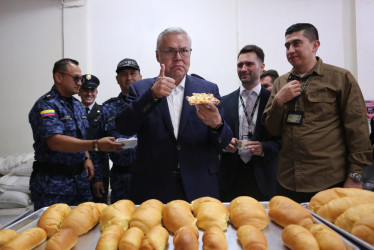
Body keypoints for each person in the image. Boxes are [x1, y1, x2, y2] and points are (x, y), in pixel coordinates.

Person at [115, 27, 232, 204]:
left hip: (199, 186)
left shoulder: (208, 89)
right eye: (170, 51)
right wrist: (151, 96)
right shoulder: (140, 89)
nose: (178, 57)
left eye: (184, 51)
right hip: (153, 187)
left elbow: (223, 142)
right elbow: (124, 127)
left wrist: (218, 125)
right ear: (157, 56)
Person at [262, 23, 373, 203]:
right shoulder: (281, 82)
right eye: (287, 45)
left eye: (296, 43)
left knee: (330, 230)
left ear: (315, 45)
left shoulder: (340, 78)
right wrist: (278, 101)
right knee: (292, 230)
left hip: (328, 179)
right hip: (287, 180)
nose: (290, 50)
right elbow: (271, 129)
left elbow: (358, 131)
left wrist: (355, 177)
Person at [29, 58, 123, 210]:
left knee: (84, 226)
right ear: (58, 77)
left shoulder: (76, 105)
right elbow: (55, 141)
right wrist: (96, 145)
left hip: (80, 182)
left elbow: (80, 137)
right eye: (76, 78)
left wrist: (86, 156)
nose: (80, 83)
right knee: (54, 230)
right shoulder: (46, 105)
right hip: (54, 185)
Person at [219, 45, 280, 202]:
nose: (243, 68)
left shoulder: (274, 100)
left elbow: (285, 140)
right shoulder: (225, 101)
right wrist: (225, 145)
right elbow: (215, 136)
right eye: (240, 65)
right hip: (231, 177)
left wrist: (264, 148)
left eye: (249, 64)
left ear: (262, 67)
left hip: (264, 177)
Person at [96, 58, 142, 203]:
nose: (129, 78)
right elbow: (98, 147)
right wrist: (97, 178)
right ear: (117, 79)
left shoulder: (152, 104)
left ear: (140, 77)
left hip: (148, 174)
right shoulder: (107, 108)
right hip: (120, 176)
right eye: (124, 74)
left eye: (133, 73)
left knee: (149, 218)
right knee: (120, 218)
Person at [78, 74, 110, 204]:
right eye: (86, 90)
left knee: (100, 208)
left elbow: (103, 150)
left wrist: (98, 178)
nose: (89, 93)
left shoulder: (104, 111)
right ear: (79, 91)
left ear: (97, 92)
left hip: (100, 170)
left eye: (92, 90)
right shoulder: (73, 111)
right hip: (78, 170)